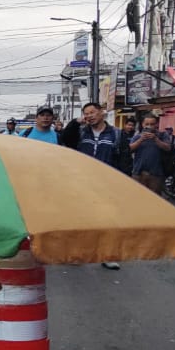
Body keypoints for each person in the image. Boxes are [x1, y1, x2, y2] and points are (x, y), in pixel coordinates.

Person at [77, 102, 123, 270]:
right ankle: (79, 253)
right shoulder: (81, 133)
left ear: (102, 112)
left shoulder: (117, 134)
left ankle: (108, 255)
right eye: (86, 113)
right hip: (83, 182)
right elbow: (66, 140)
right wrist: (75, 123)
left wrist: (124, 182)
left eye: (92, 112)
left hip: (108, 183)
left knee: (108, 220)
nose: (89, 116)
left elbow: (124, 159)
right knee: (82, 219)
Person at [129, 114, 173, 195]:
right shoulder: (137, 136)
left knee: (155, 200)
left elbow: (168, 148)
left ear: (156, 124)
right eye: (147, 124)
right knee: (137, 198)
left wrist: (156, 139)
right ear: (143, 124)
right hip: (138, 173)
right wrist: (140, 140)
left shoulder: (162, 135)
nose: (149, 127)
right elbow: (130, 149)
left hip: (156, 174)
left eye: (152, 124)